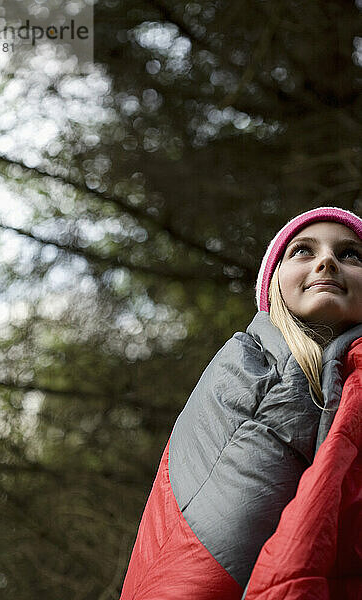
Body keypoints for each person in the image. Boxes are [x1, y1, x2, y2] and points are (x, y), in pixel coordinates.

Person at [120, 206, 362, 600]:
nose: (327, 261)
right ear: (274, 285)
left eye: (351, 254)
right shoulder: (251, 364)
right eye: (303, 251)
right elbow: (205, 547)